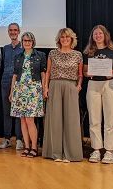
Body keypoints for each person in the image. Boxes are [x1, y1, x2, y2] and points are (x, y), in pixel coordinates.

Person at [42, 28, 83, 162]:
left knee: (71, 120)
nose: (65, 39)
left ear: (72, 39)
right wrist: (46, 87)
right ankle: (55, 153)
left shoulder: (78, 55)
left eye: (67, 37)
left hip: (71, 86)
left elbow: (80, 74)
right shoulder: (52, 53)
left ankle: (70, 154)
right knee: (55, 119)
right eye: (62, 37)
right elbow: (48, 72)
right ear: (59, 39)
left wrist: (78, 86)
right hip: (55, 85)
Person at [83, 25, 113, 164]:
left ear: (105, 35)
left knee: (110, 119)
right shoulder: (89, 51)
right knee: (94, 119)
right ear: (92, 36)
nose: (98, 36)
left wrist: (109, 72)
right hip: (93, 85)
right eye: (95, 34)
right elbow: (85, 72)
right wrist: (89, 73)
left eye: (100, 33)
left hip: (109, 84)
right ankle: (96, 149)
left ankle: (110, 151)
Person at [9, 32, 46, 158]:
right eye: (25, 40)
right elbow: (15, 75)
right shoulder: (18, 56)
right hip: (19, 89)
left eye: (29, 40)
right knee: (22, 120)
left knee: (30, 119)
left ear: (33, 42)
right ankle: (26, 146)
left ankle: (34, 147)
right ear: (22, 42)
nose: (27, 43)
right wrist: (11, 91)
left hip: (34, 89)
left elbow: (43, 74)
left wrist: (44, 88)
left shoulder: (40, 55)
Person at [0, 23, 24, 150]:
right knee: (7, 111)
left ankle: (19, 139)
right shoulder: (5, 48)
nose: (13, 32)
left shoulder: (24, 47)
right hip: (5, 81)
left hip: (20, 82)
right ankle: (7, 139)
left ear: (19, 31)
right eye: (11, 30)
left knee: (19, 111)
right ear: (8, 32)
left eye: (15, 30)